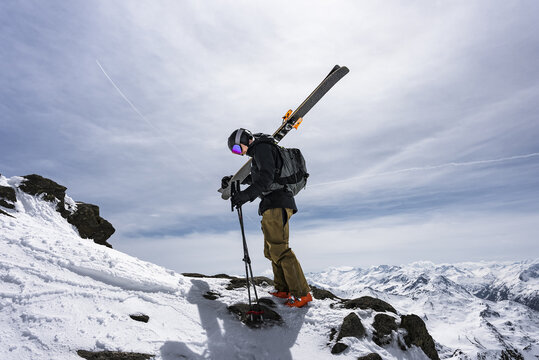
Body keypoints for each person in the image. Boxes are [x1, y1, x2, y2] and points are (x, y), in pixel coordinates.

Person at [222, 128, 312, 308]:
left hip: (277, 201)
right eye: (235, 152)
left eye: (238, 149)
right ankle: (283, 288)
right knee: (271, 251)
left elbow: (265, 178)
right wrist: (233, 180)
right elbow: (259, 176)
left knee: (280, 249)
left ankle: (302, 294)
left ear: (247, 140)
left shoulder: (262, 148)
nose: (240, 154)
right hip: (272, 203)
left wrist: (245, 196)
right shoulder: (259, 153)